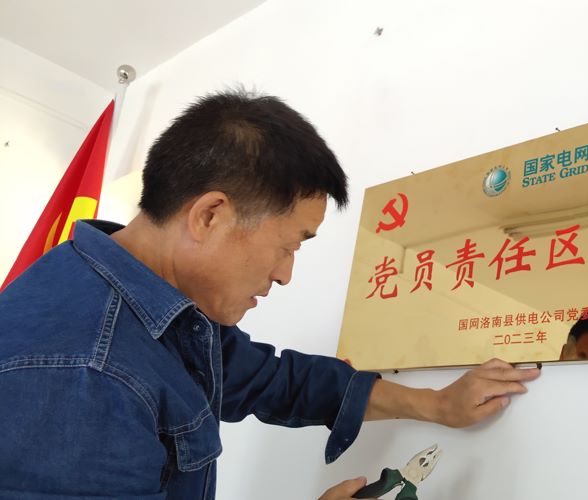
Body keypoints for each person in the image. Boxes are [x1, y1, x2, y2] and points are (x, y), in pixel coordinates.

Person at [0, 89, 540, 500]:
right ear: (210, 216)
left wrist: (436, 405)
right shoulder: (84, 375)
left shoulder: (162, 309)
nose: (286, 275)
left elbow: (275, 381)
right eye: (289, 246)